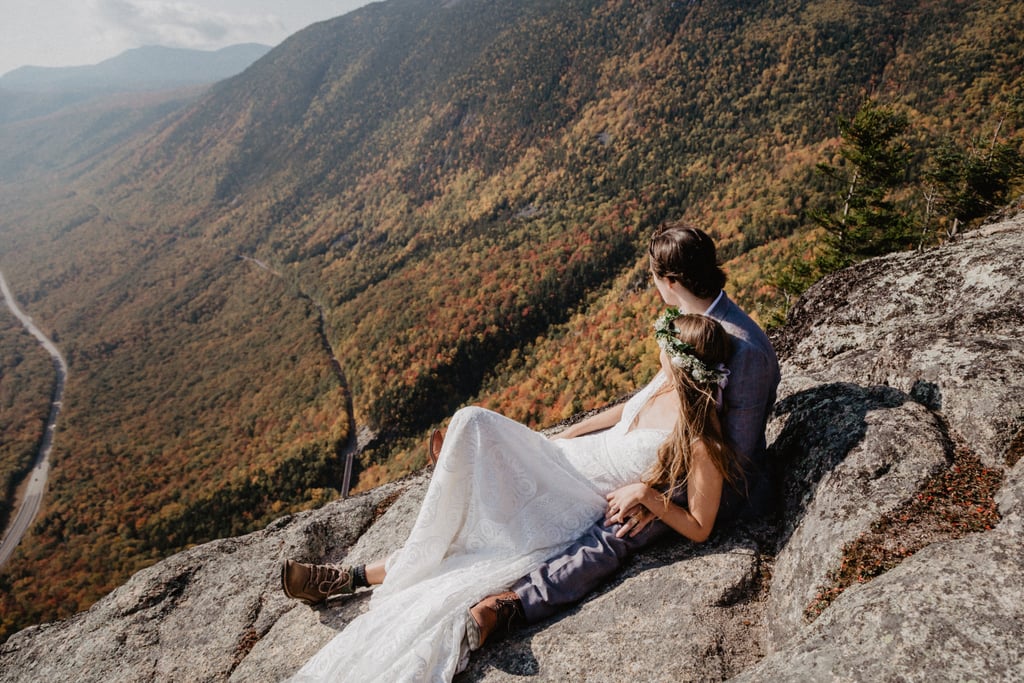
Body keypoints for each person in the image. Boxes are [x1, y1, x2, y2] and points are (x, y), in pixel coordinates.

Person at [283, 311, 738, 682]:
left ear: (680, 362)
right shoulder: (663, 384)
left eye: (666, 344)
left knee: (471, 427)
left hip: (578, 497)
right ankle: (347, 577)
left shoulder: (700, 439)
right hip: (562, 461)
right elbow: (624, 412)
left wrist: (648, 495)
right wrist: (558, 438)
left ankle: (347, 578)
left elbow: (700, 527)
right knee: (469, 512)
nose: (657, 346)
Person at [469, 222, 781, 639]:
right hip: (666, 449)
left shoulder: (746, 349)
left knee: (622, 525)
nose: (655, 287)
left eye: (655, 278)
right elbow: (656, 394)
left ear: (670, 280)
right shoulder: (691, 321)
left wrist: (653, 494)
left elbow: (734, 456)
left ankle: (518, 604)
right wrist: (577, 430)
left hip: (707, 480)